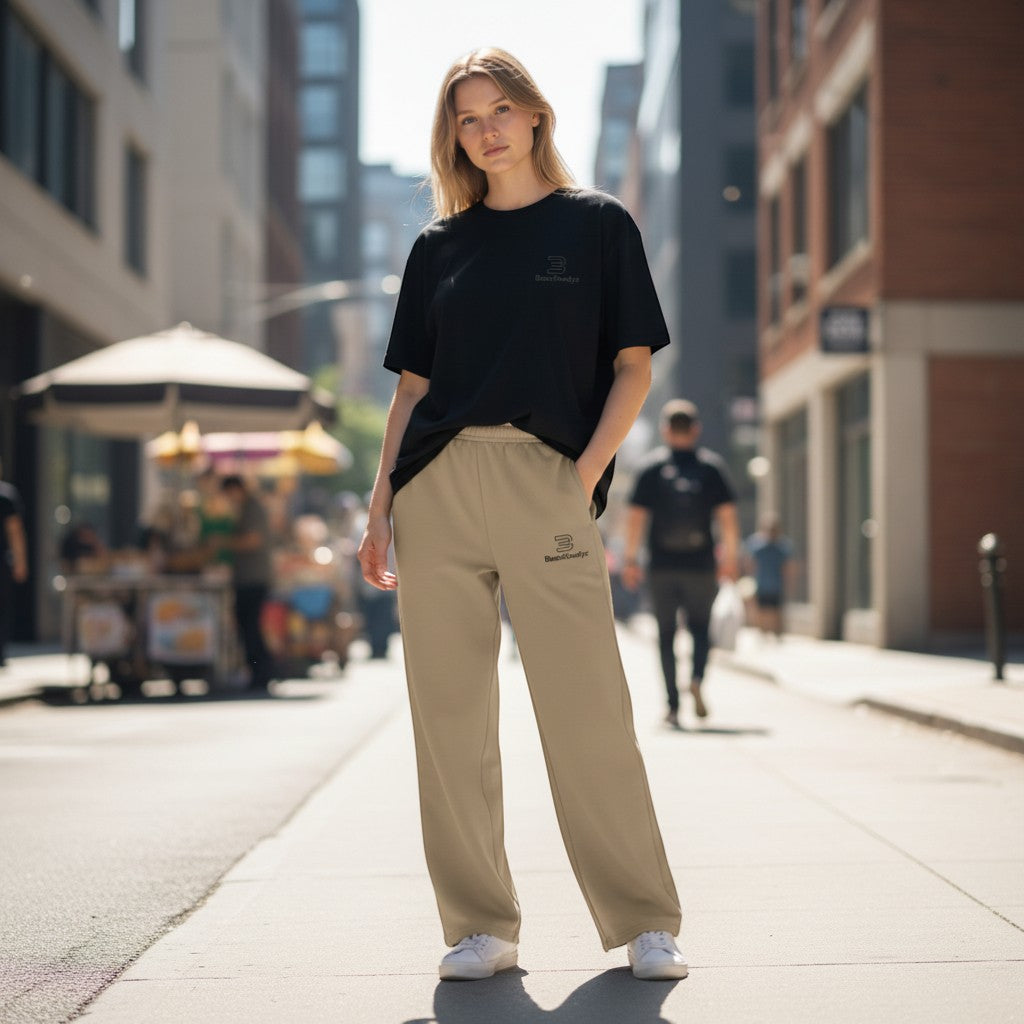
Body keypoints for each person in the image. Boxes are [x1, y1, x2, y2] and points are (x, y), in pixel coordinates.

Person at [356, 48, 686, 983]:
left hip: (546, 479)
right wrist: (380, 505)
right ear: (452, 135)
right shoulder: (438, 249)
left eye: (501, 109)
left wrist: (580, 475)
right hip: (436, 492)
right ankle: (480, 926)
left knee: (587, 708)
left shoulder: (596, 227)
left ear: (536, 116)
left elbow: (633, 368)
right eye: (468, 117)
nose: (487, 129)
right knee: (449, 718)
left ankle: (643, 920)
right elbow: (414, 389)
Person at [623, 400, 740, 728]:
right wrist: (730, 559)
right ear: (696, 430)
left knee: (666, 634)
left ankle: (673, 707)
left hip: (661, 565)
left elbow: (634, 520)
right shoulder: (711, 467)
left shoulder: (651, 469)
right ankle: (698, 678)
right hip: (701, 564)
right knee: (701, 628)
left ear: (665, 431)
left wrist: (631, 560)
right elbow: (728, 519)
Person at [218, 475, 275, 693]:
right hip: (247, 577)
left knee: (250, 627)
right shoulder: (246, 508)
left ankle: (262, 673)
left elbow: (253, 540)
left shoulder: (252, 508)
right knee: (247, 626)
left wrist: (223, 543)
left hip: (253, 578)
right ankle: (259, 672)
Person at [743, 517, 793, 639]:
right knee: (762, 610)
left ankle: (777, 633)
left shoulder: (782, 546)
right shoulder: (756, 545)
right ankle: (763, 633)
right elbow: (749, 563)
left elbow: (788, 566)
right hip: (762, 583)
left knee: (776, 609)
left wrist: (789, 582)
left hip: (776, 583)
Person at [0, 460, 28, 667]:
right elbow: (15, 532)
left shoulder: (6, 496)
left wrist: (20, 561)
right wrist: (20, 561)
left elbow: (14, 531)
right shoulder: (6, 495)